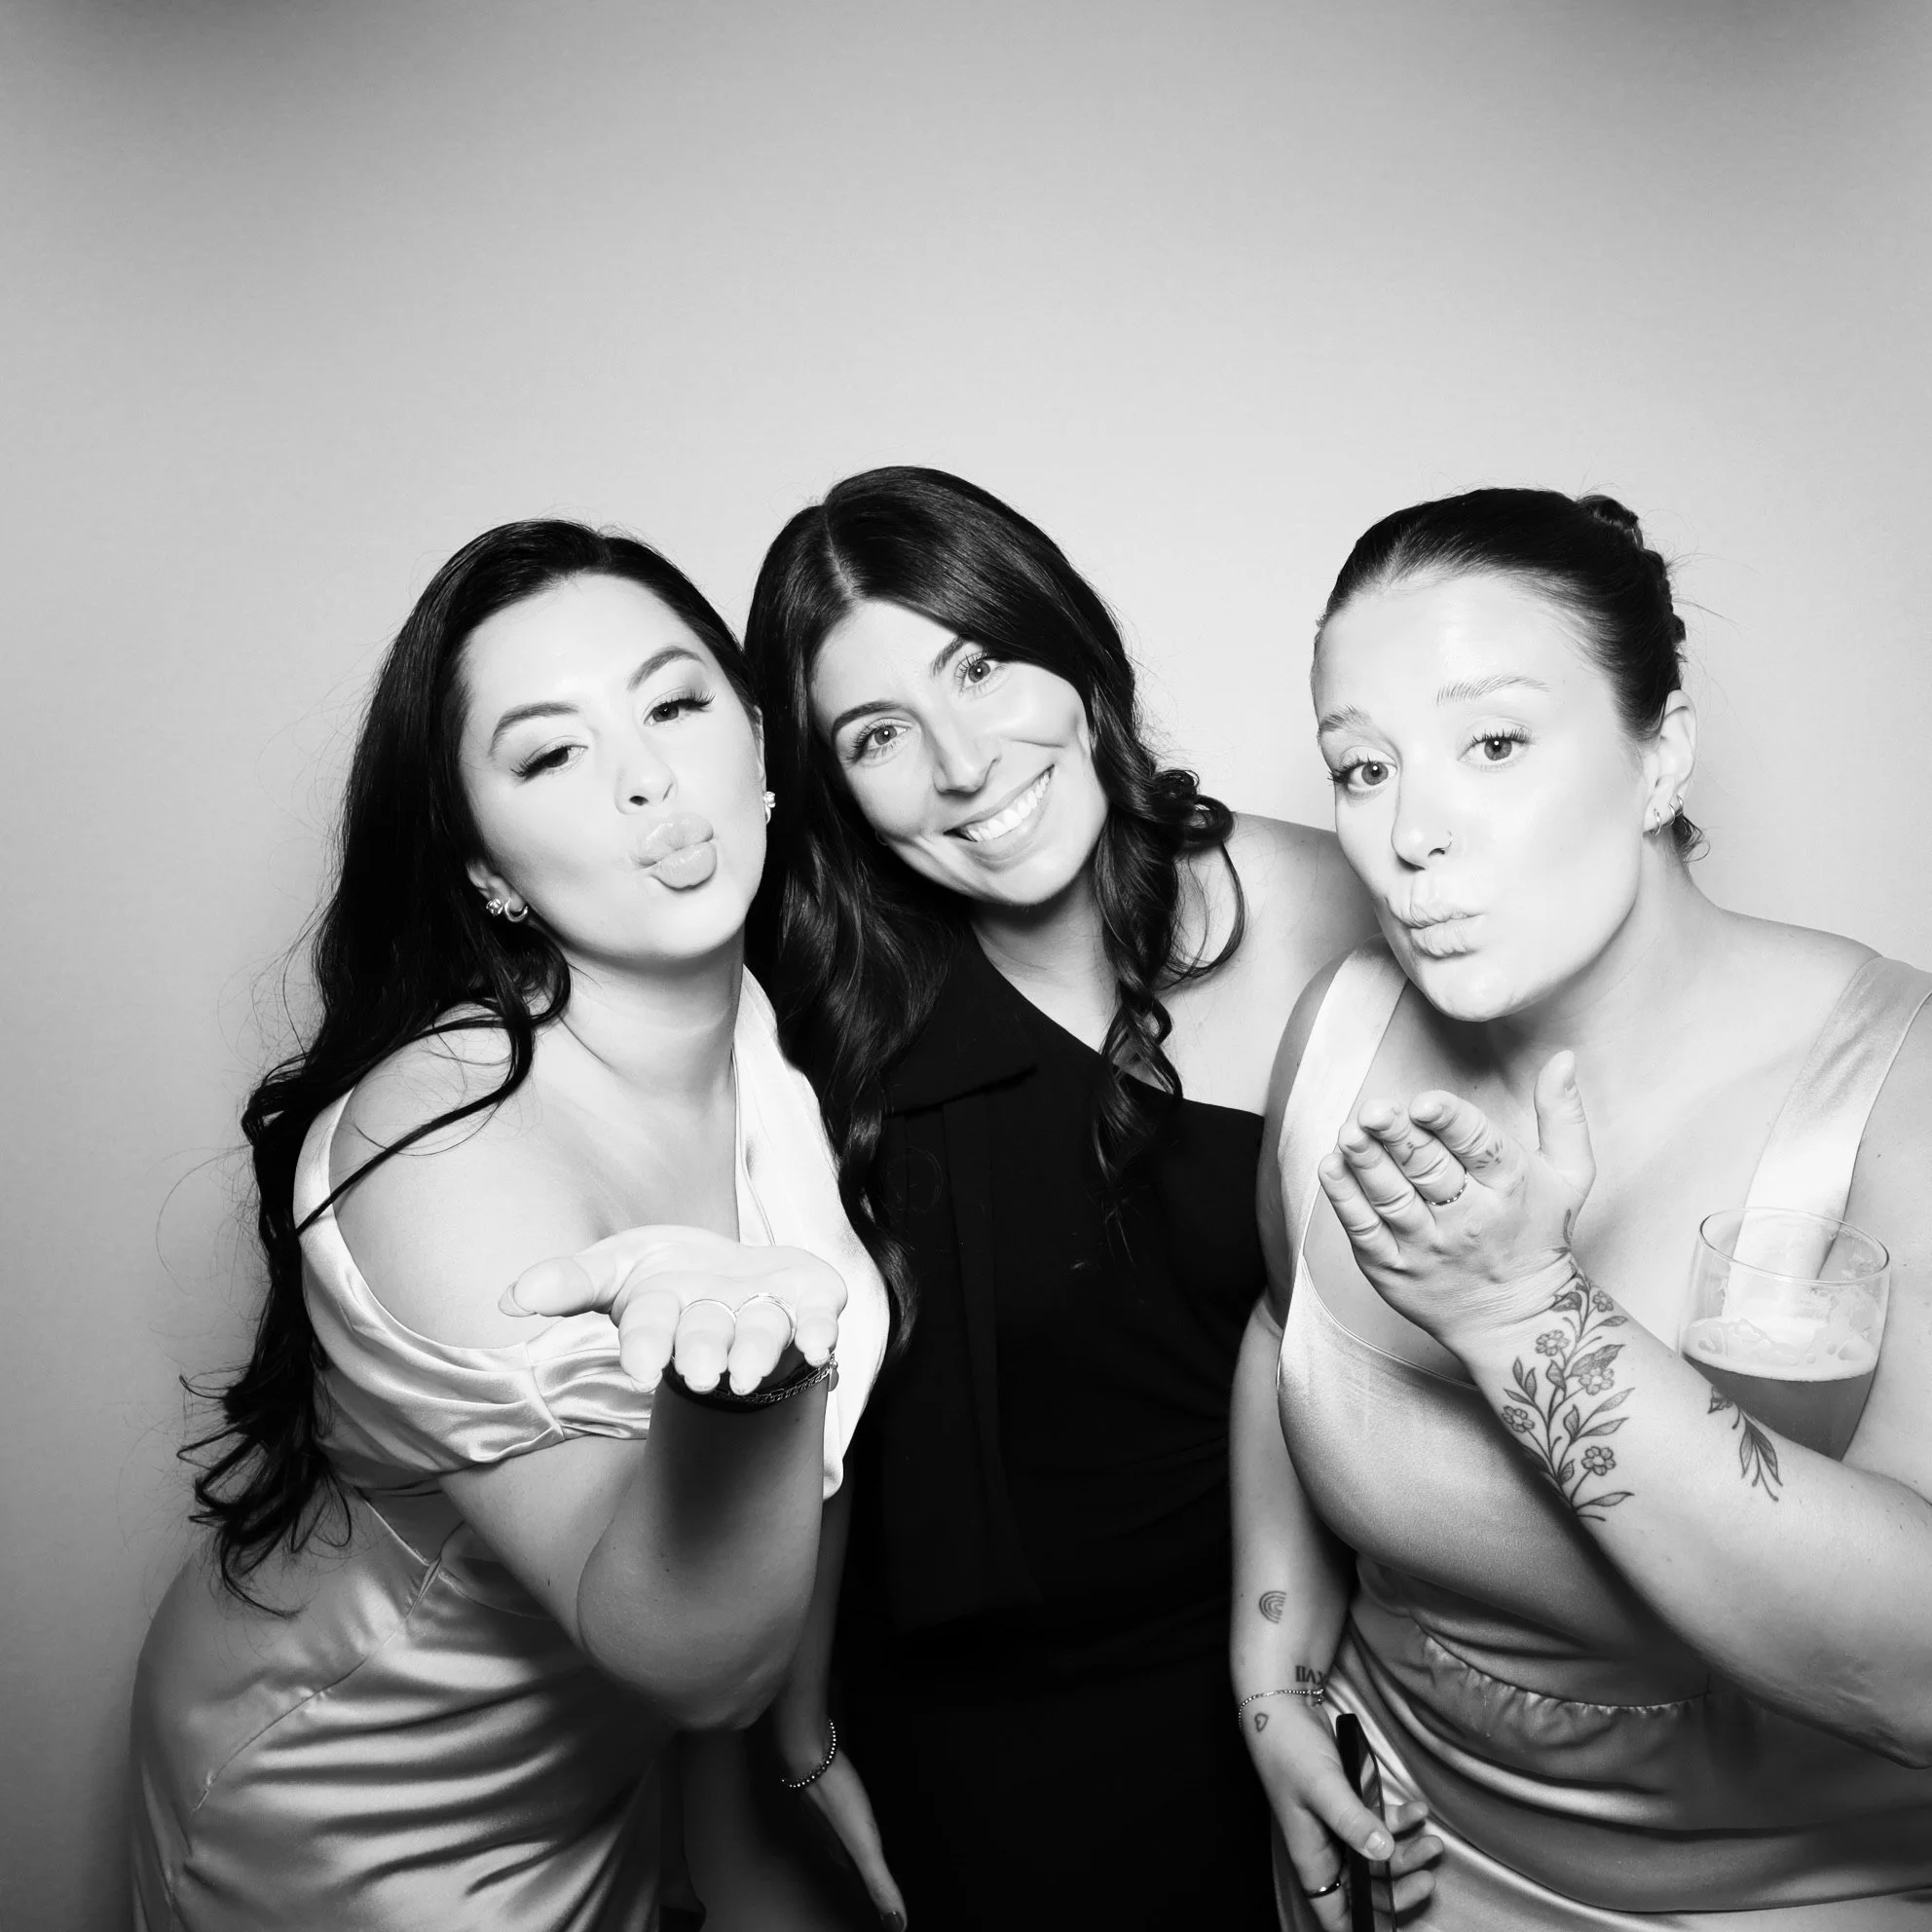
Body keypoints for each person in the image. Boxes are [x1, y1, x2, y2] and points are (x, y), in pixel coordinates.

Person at [130, 520, 890, 1932]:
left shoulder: (781, 1046)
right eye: (551, 755)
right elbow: (687, 1660)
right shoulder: (448, 1136)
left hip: (607, 1780)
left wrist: (803, 1743)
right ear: (484, 869)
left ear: (763, 748)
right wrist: (756, 1382)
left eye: (674, 704)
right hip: (366, 1807)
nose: (649, 780)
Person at [1233, 486, 1932, 1928]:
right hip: (1397, 1861)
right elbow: (1285, 1330)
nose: (1412, 832)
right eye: (1361, 769)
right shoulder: (1344, 1031)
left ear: (1659, 754)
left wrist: (1517, 1312)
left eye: (1494, 744)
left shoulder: (1897, 1085)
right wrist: (1268, 1679)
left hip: (1779, 1893)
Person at [738, 465, 1379, 1930]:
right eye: (881, 733)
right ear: (833, 787)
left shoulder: (1345, 908)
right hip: (987, 1737)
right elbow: (818, 1405)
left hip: (1308, 1662)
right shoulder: (824, 1023)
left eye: (982, 664)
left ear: (1073, 650)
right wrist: (794, 1720)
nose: (964, 763)